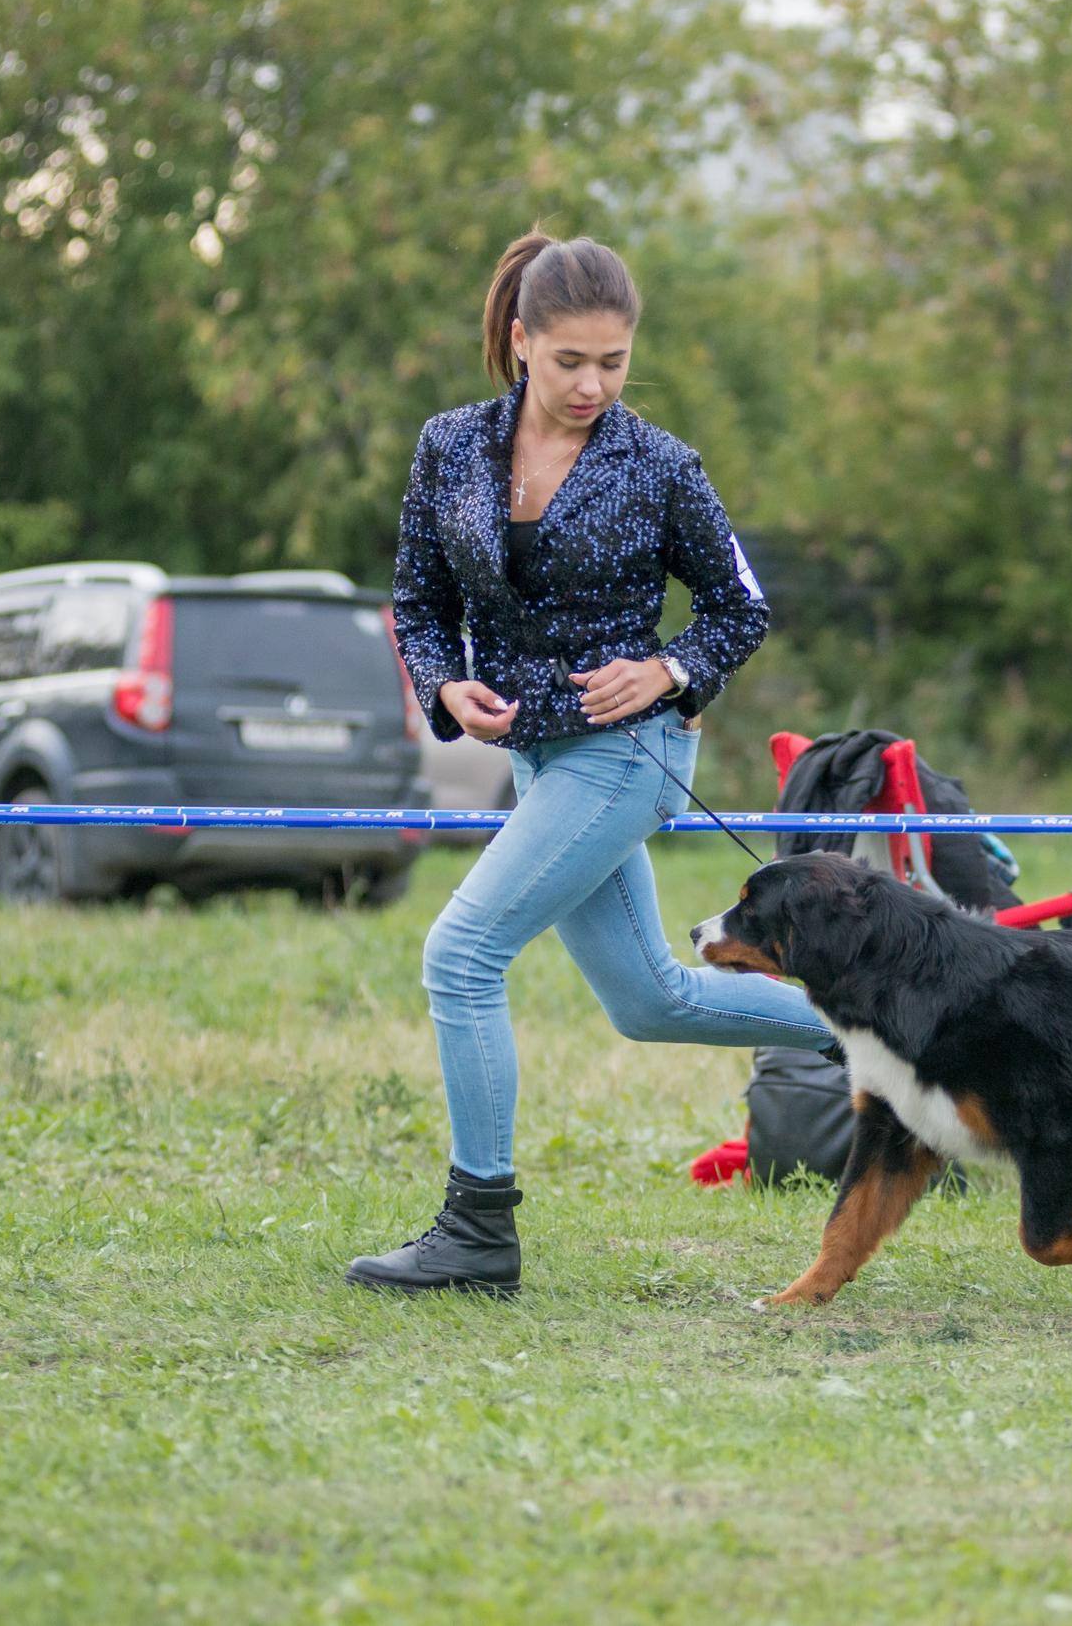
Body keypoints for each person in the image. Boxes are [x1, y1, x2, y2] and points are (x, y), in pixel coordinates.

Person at [347, 230, 837, 1296]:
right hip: (536, 759)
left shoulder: (661, 465)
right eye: (570, 360)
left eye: (614, 362)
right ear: (522, 339)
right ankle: (887, 1028)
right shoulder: (449, 446)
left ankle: (478, 1229)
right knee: (651, 1000)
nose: (592, 385)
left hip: (628, 755)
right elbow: (418, 602)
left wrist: (667, 667)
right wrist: (444, 686)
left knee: (460, 954)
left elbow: (740, 608)